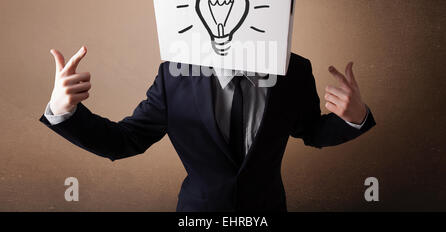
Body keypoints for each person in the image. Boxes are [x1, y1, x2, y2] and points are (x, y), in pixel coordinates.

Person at [40, 45, 375, 211]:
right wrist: (63, 110)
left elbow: (312, 131)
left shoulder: (294, 69)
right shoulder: (175, 74)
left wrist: (353, 117)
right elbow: (124, 141)